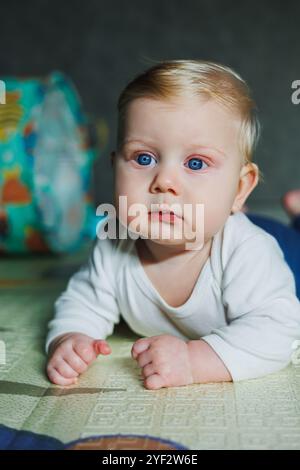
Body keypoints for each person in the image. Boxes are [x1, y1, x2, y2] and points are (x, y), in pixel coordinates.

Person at [45, 60, 300, 390]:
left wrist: (195, 361)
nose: (164, 181)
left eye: (196, 163)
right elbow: (83, 301)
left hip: (286, 252)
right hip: (225, 214)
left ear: (240, 187)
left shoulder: (250, 252)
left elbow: (279, 331)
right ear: (114, 168)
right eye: (144, 158)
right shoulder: (114, 244)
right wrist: (70, 337)